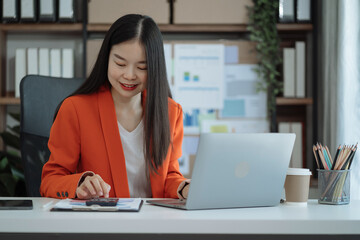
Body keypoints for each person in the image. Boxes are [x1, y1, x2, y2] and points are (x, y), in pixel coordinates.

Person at [40, 14, 190, 200]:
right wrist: (79, 183)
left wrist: (183, 187)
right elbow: (50, 180)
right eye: (120, 63)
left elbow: (169, 176)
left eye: (142, 67)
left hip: (155, 221)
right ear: (106, 59)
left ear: (155, 67)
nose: (129, 75)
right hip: (103, 223)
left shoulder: (171, 112)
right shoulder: (75, 109)